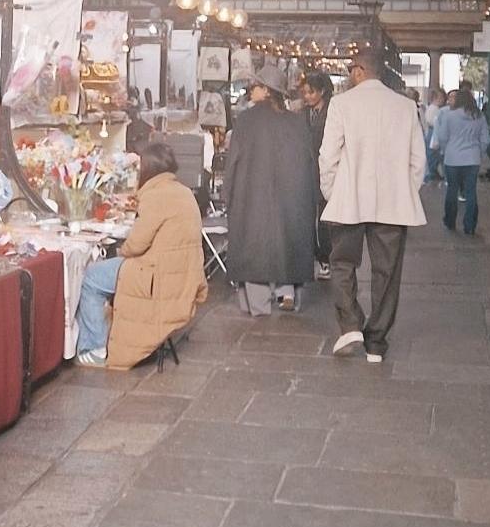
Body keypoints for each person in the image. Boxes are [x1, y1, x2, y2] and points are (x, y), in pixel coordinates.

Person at [319, 47, 426, 363]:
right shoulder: (406, 107)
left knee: (341, 263)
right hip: (393, 204)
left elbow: (328, 156)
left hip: (349, 198)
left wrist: (332, 192)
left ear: (358, 71)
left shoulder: (341, 104)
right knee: (387, 272)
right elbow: (418, 161)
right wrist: (404, 190)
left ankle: (350, 323)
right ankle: (376, 343)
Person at [76, 140, 205, 368]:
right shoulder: (182, 192)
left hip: (156, 277)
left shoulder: (156, 196)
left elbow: (135, 245)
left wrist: (120, 251)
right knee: (107, 270)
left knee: (92, 278)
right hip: (179, 275)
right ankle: (107, 332)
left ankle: (95, 347)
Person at [226, 70, 317, 314]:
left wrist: (229, 194)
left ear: (266, 90)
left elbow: (233, 161)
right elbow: (310, 162)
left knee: (255, 244)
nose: (250, 90)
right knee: (288, 239)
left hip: (252, 194)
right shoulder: (297, 121)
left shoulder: (245, 121)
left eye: (254, 86)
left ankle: (260, 304)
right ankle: (286, 292)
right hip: (292, 194)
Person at [432, 85, 490, 236]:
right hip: (472, 159)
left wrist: (447, 150)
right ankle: (470, 225)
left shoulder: (449, 116)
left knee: (452, 190)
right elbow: (485, 139)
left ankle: (450, 220)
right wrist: (479, 152)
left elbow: (443, 136)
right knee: (471, 192)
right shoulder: (479, 117)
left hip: (452, 158)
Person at [300, 71, 335, 279]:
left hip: (326, 171)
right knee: (306, 216)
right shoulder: (302, 113)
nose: (307, 97)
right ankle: (313, 255)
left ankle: (325, 259)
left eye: (311, 92)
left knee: (324, 219)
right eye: (305, 92)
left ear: (322, 91)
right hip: (306, 170)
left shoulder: (333, 112)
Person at [422, 89, 445, 183]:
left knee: (433, 154)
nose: (443, 100)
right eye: (441, 97)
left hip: (432, 132)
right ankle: (432, 173)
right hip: (433, 132)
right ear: (436, 98)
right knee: (433, 154)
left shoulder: (433, 108)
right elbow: (432, 121)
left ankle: (434, 173)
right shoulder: (434, 109)